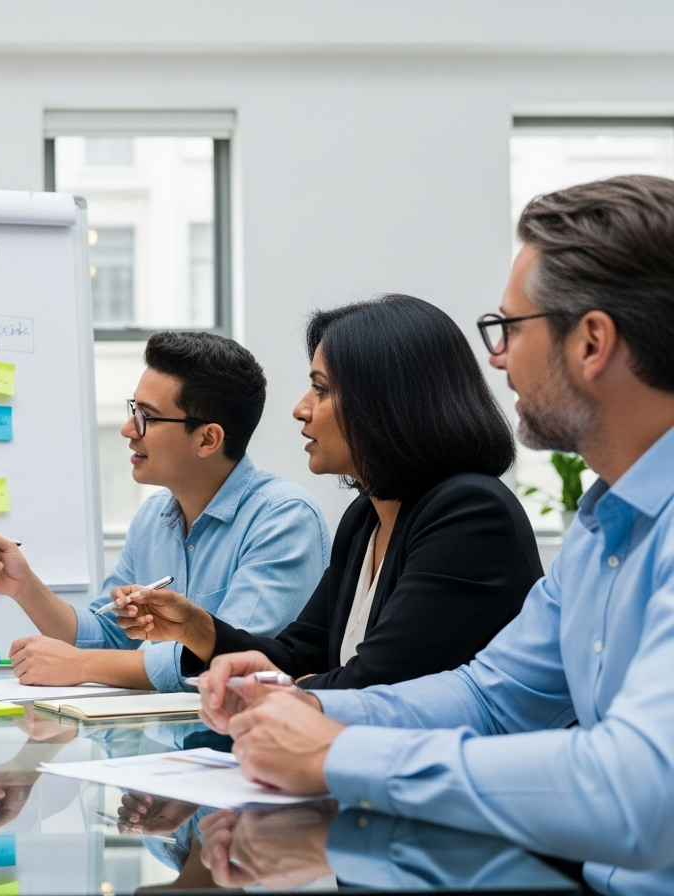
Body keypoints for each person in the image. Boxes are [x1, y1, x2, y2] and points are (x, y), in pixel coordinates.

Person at [200, 175, 674, 895]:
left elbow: (637, 789)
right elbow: (491, 695)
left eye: (510, 329)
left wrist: (340, 753)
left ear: (592, 342)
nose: (496, 358)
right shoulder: (603, 524)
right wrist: (313, 707)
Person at [112, 296, 541, 690]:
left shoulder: (471, 513)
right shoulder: (364, 517)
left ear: (384, 402)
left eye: (320, 388)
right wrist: (195, 627)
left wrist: (292, 687)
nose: (301, 408)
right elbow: (297, 654)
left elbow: (379, 682)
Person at [0, 331, 329, 692]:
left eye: (147, 417)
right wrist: (25, 587)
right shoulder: (154, 518)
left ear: (207, 439)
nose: (127, 429)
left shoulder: (284, 519)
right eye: (134, 410)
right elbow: (105, 635)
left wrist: (79, 666)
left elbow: (226, 660)